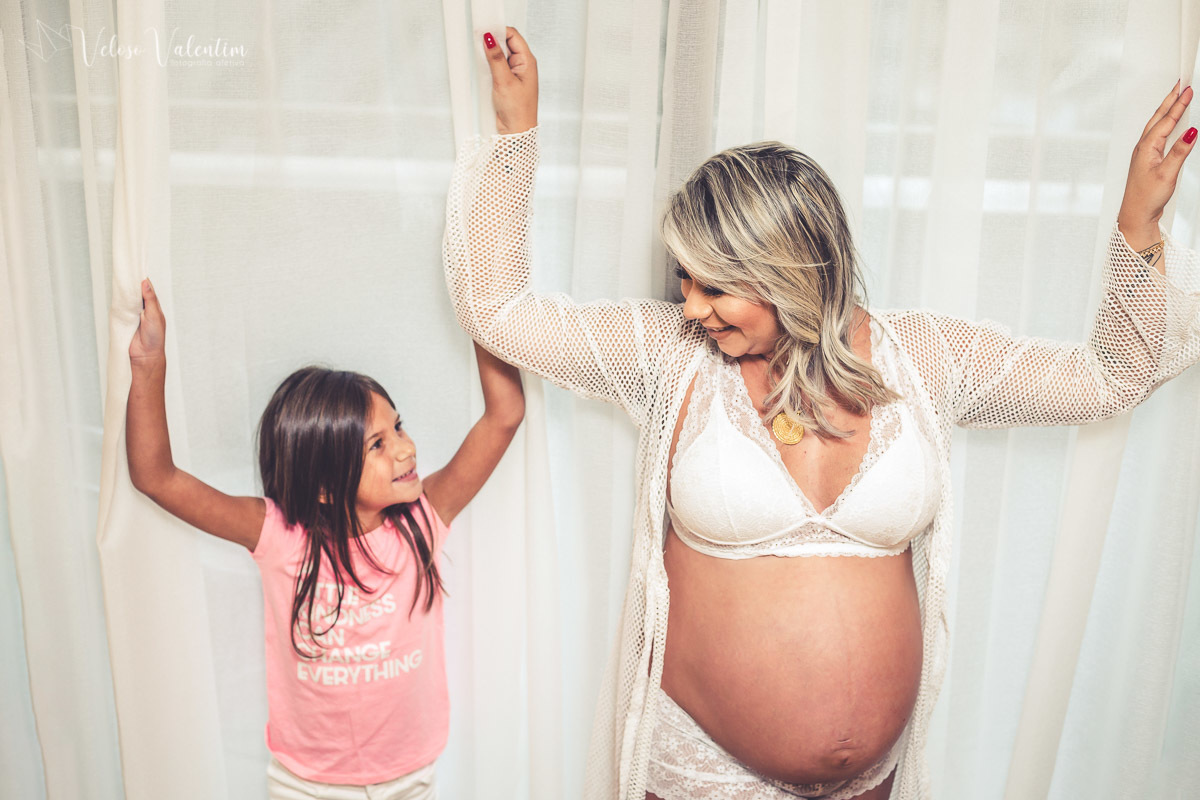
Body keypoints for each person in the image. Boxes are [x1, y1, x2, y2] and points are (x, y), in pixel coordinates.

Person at [445, 27, 1200, 800]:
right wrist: (514, 133)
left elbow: (1109, 379)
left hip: (873, 781)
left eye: (715, 286)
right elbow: (498, 310)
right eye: (684, 279)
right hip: (702, 769)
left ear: (788, 273)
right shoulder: (668, 353)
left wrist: (1138, 228)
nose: (691, 306)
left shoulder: (925, 357)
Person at [125, 279, 525, 799]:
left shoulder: (424, 517)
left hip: (409, 776)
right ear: (322, 484)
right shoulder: (278, 535)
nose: (405, 449)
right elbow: (156, 477)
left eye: (398, 427)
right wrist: (149, 363)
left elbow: (505, 415)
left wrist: (484, 309)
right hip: (306, 784)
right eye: (377, 444)